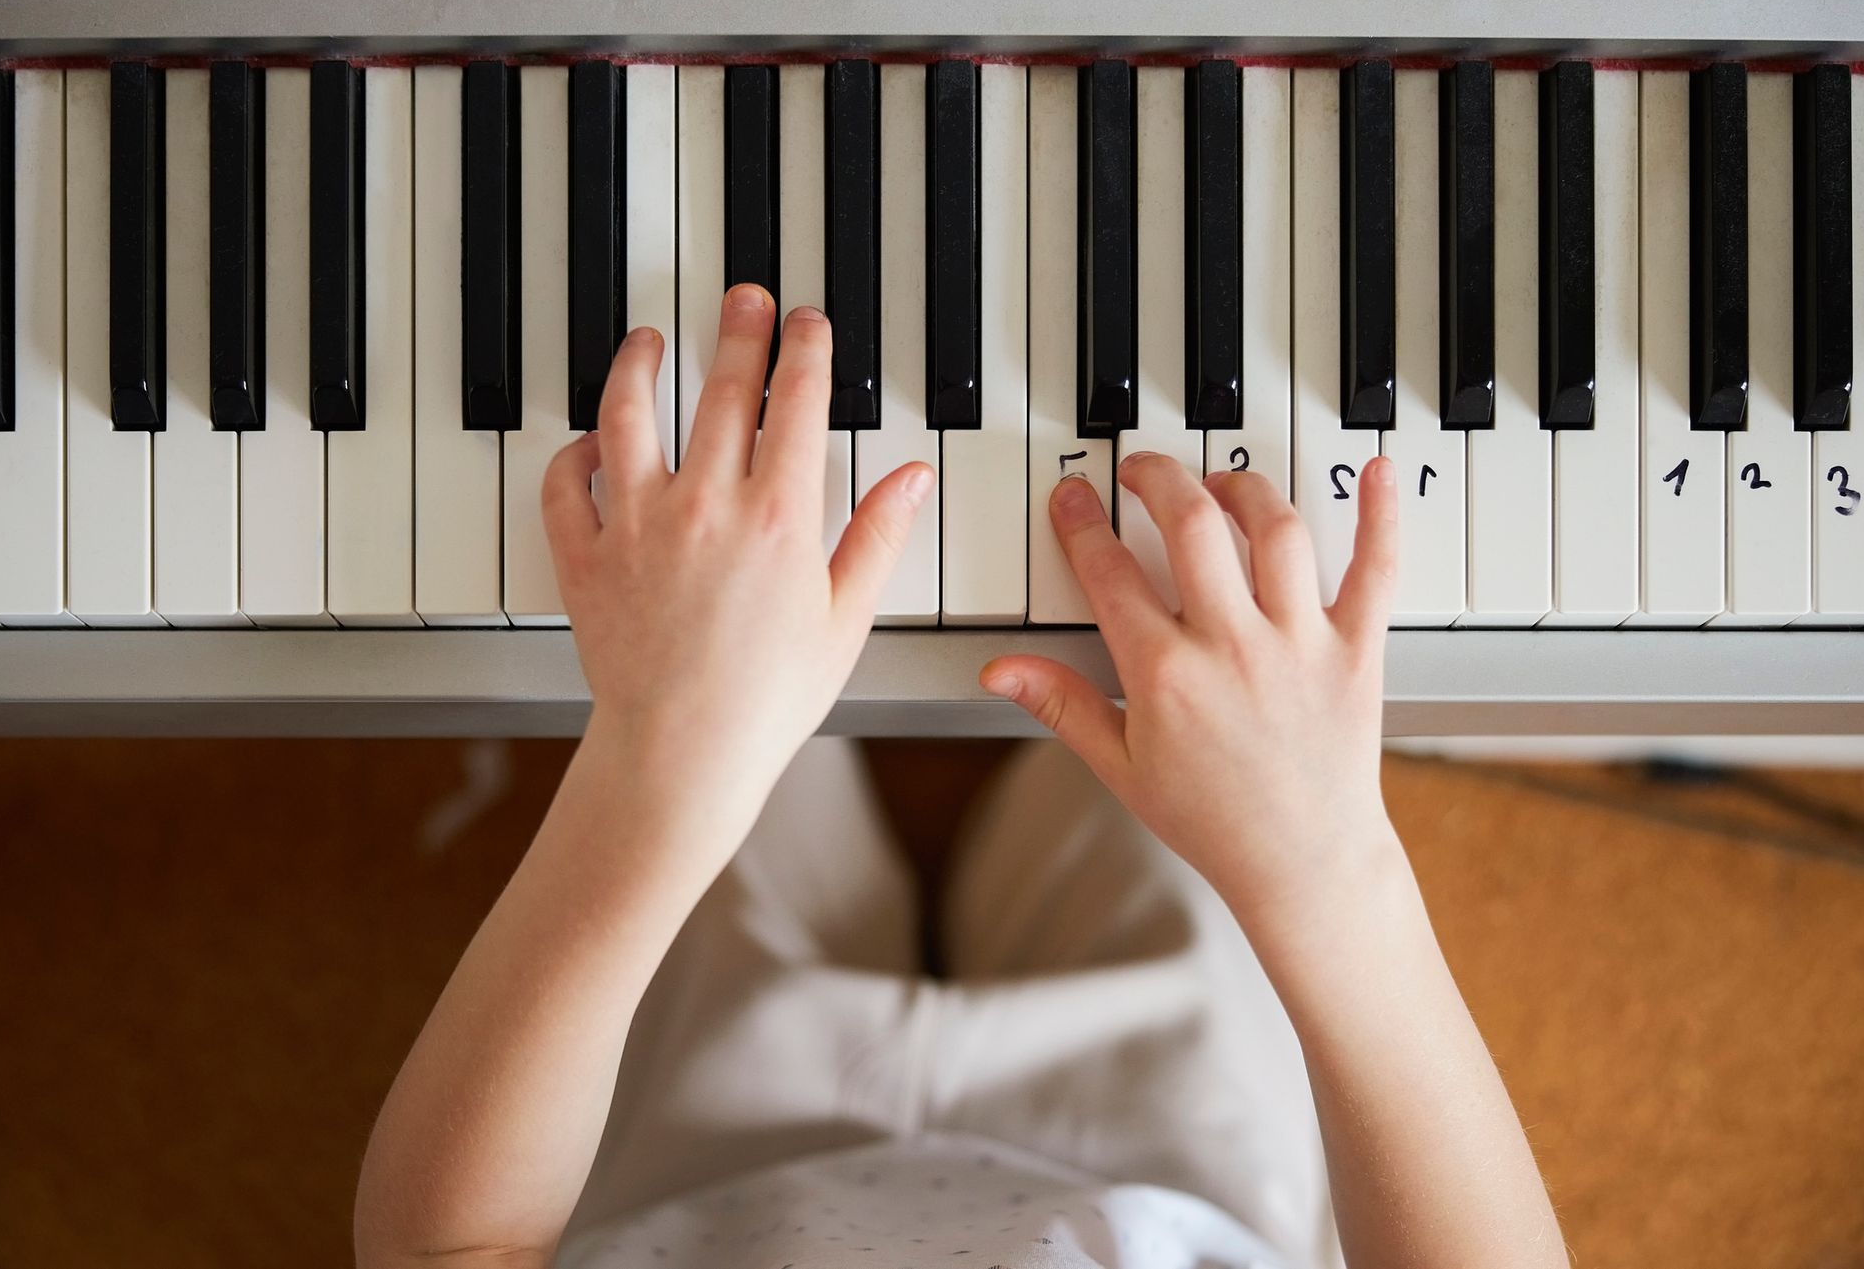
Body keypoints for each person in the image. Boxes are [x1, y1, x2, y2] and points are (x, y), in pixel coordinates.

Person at [353, 285, 1569, 1269]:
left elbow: (448, 1247)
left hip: (718, 1147)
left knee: (721, 680)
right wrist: (1323, 865)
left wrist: (652, 759)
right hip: (1167, 1147)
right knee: (1174, 666)